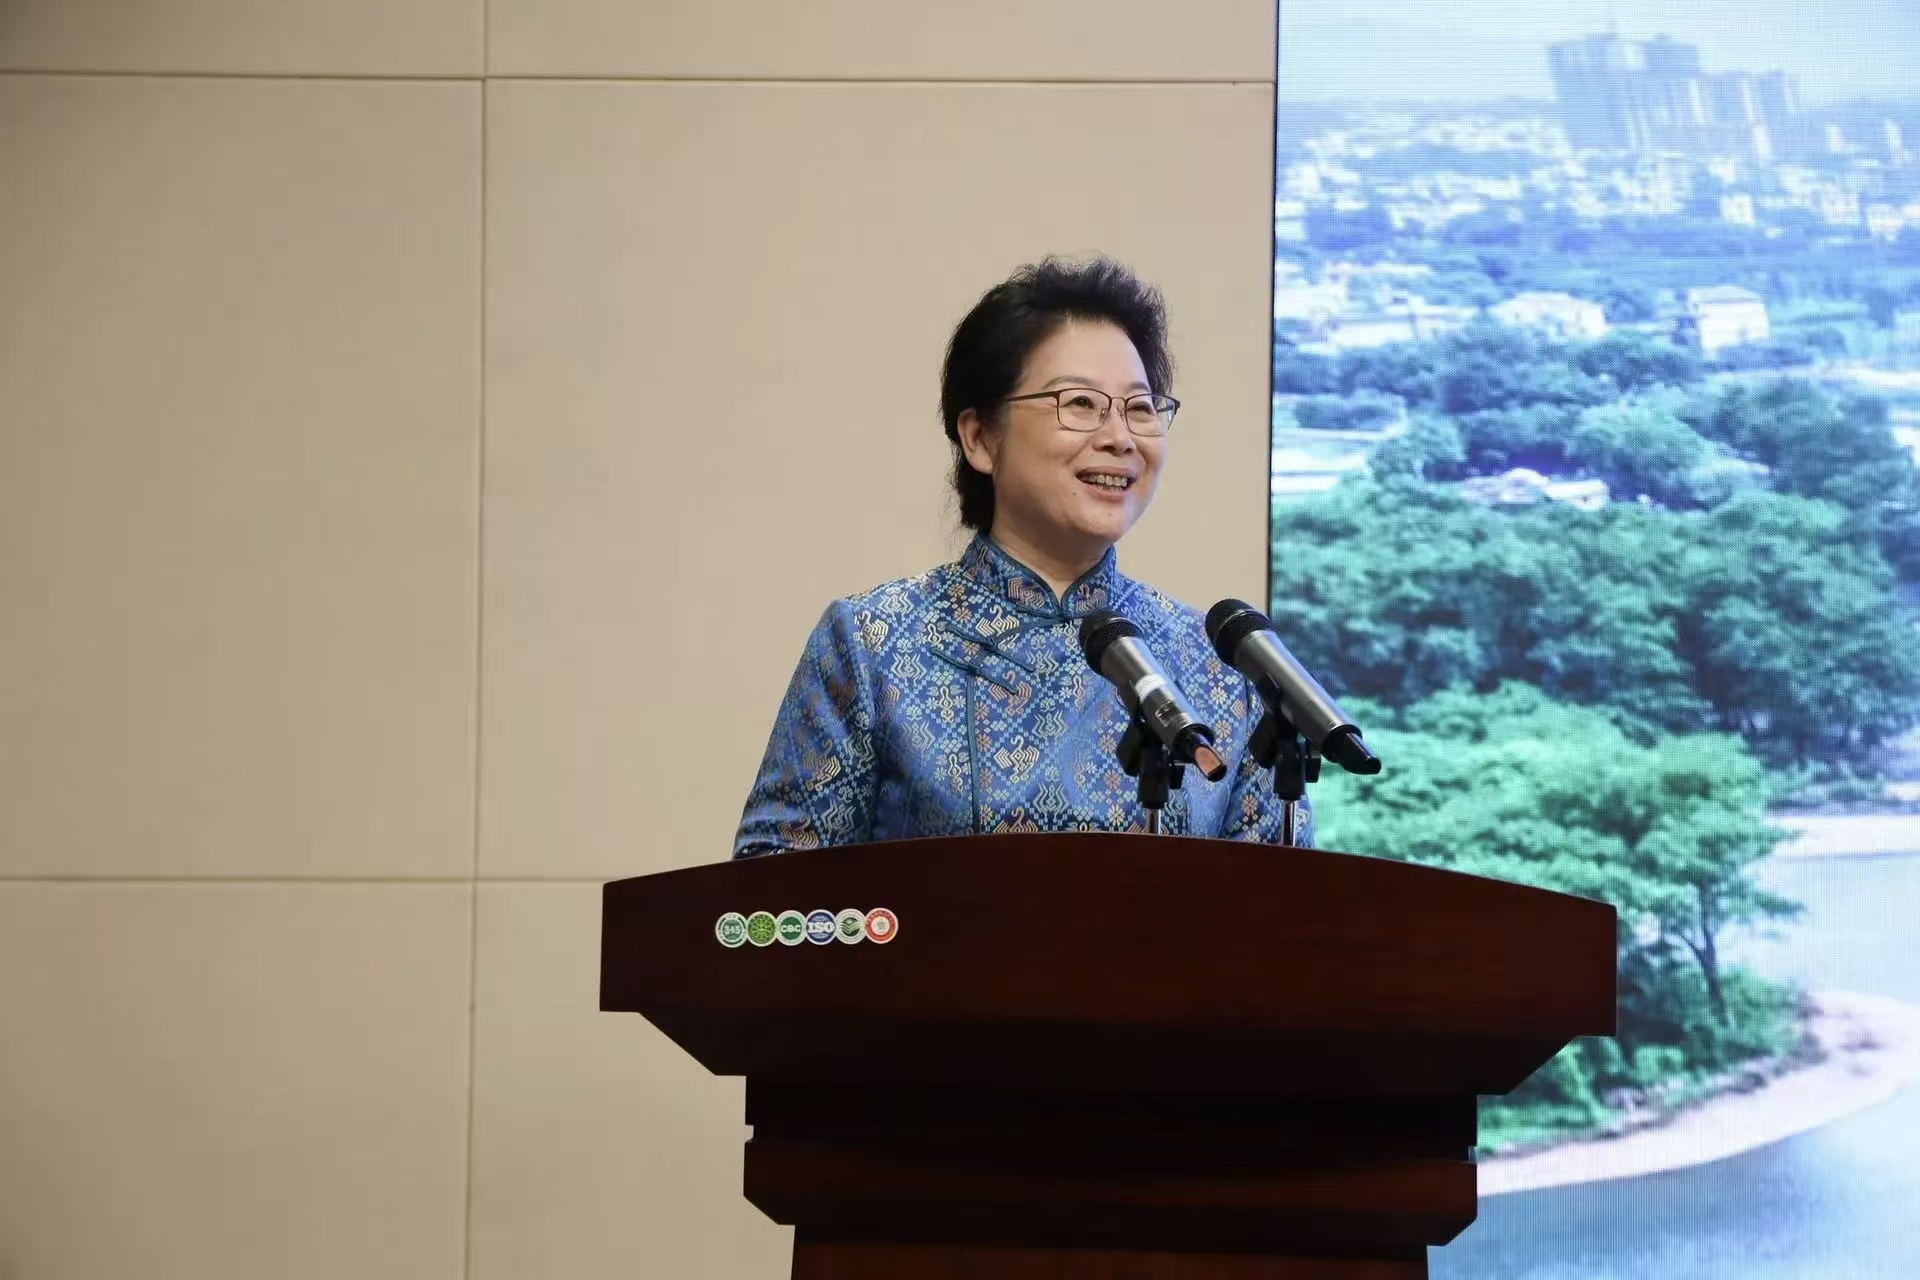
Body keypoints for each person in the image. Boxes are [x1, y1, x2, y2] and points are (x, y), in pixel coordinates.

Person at [732, 256, 1304, 856]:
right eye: (1079, 403)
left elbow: (1281, 903)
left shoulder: (1221, 667)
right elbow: (774, 884)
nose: (1119, 437)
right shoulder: (873, 642)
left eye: (1139, 408)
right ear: (980, 438)